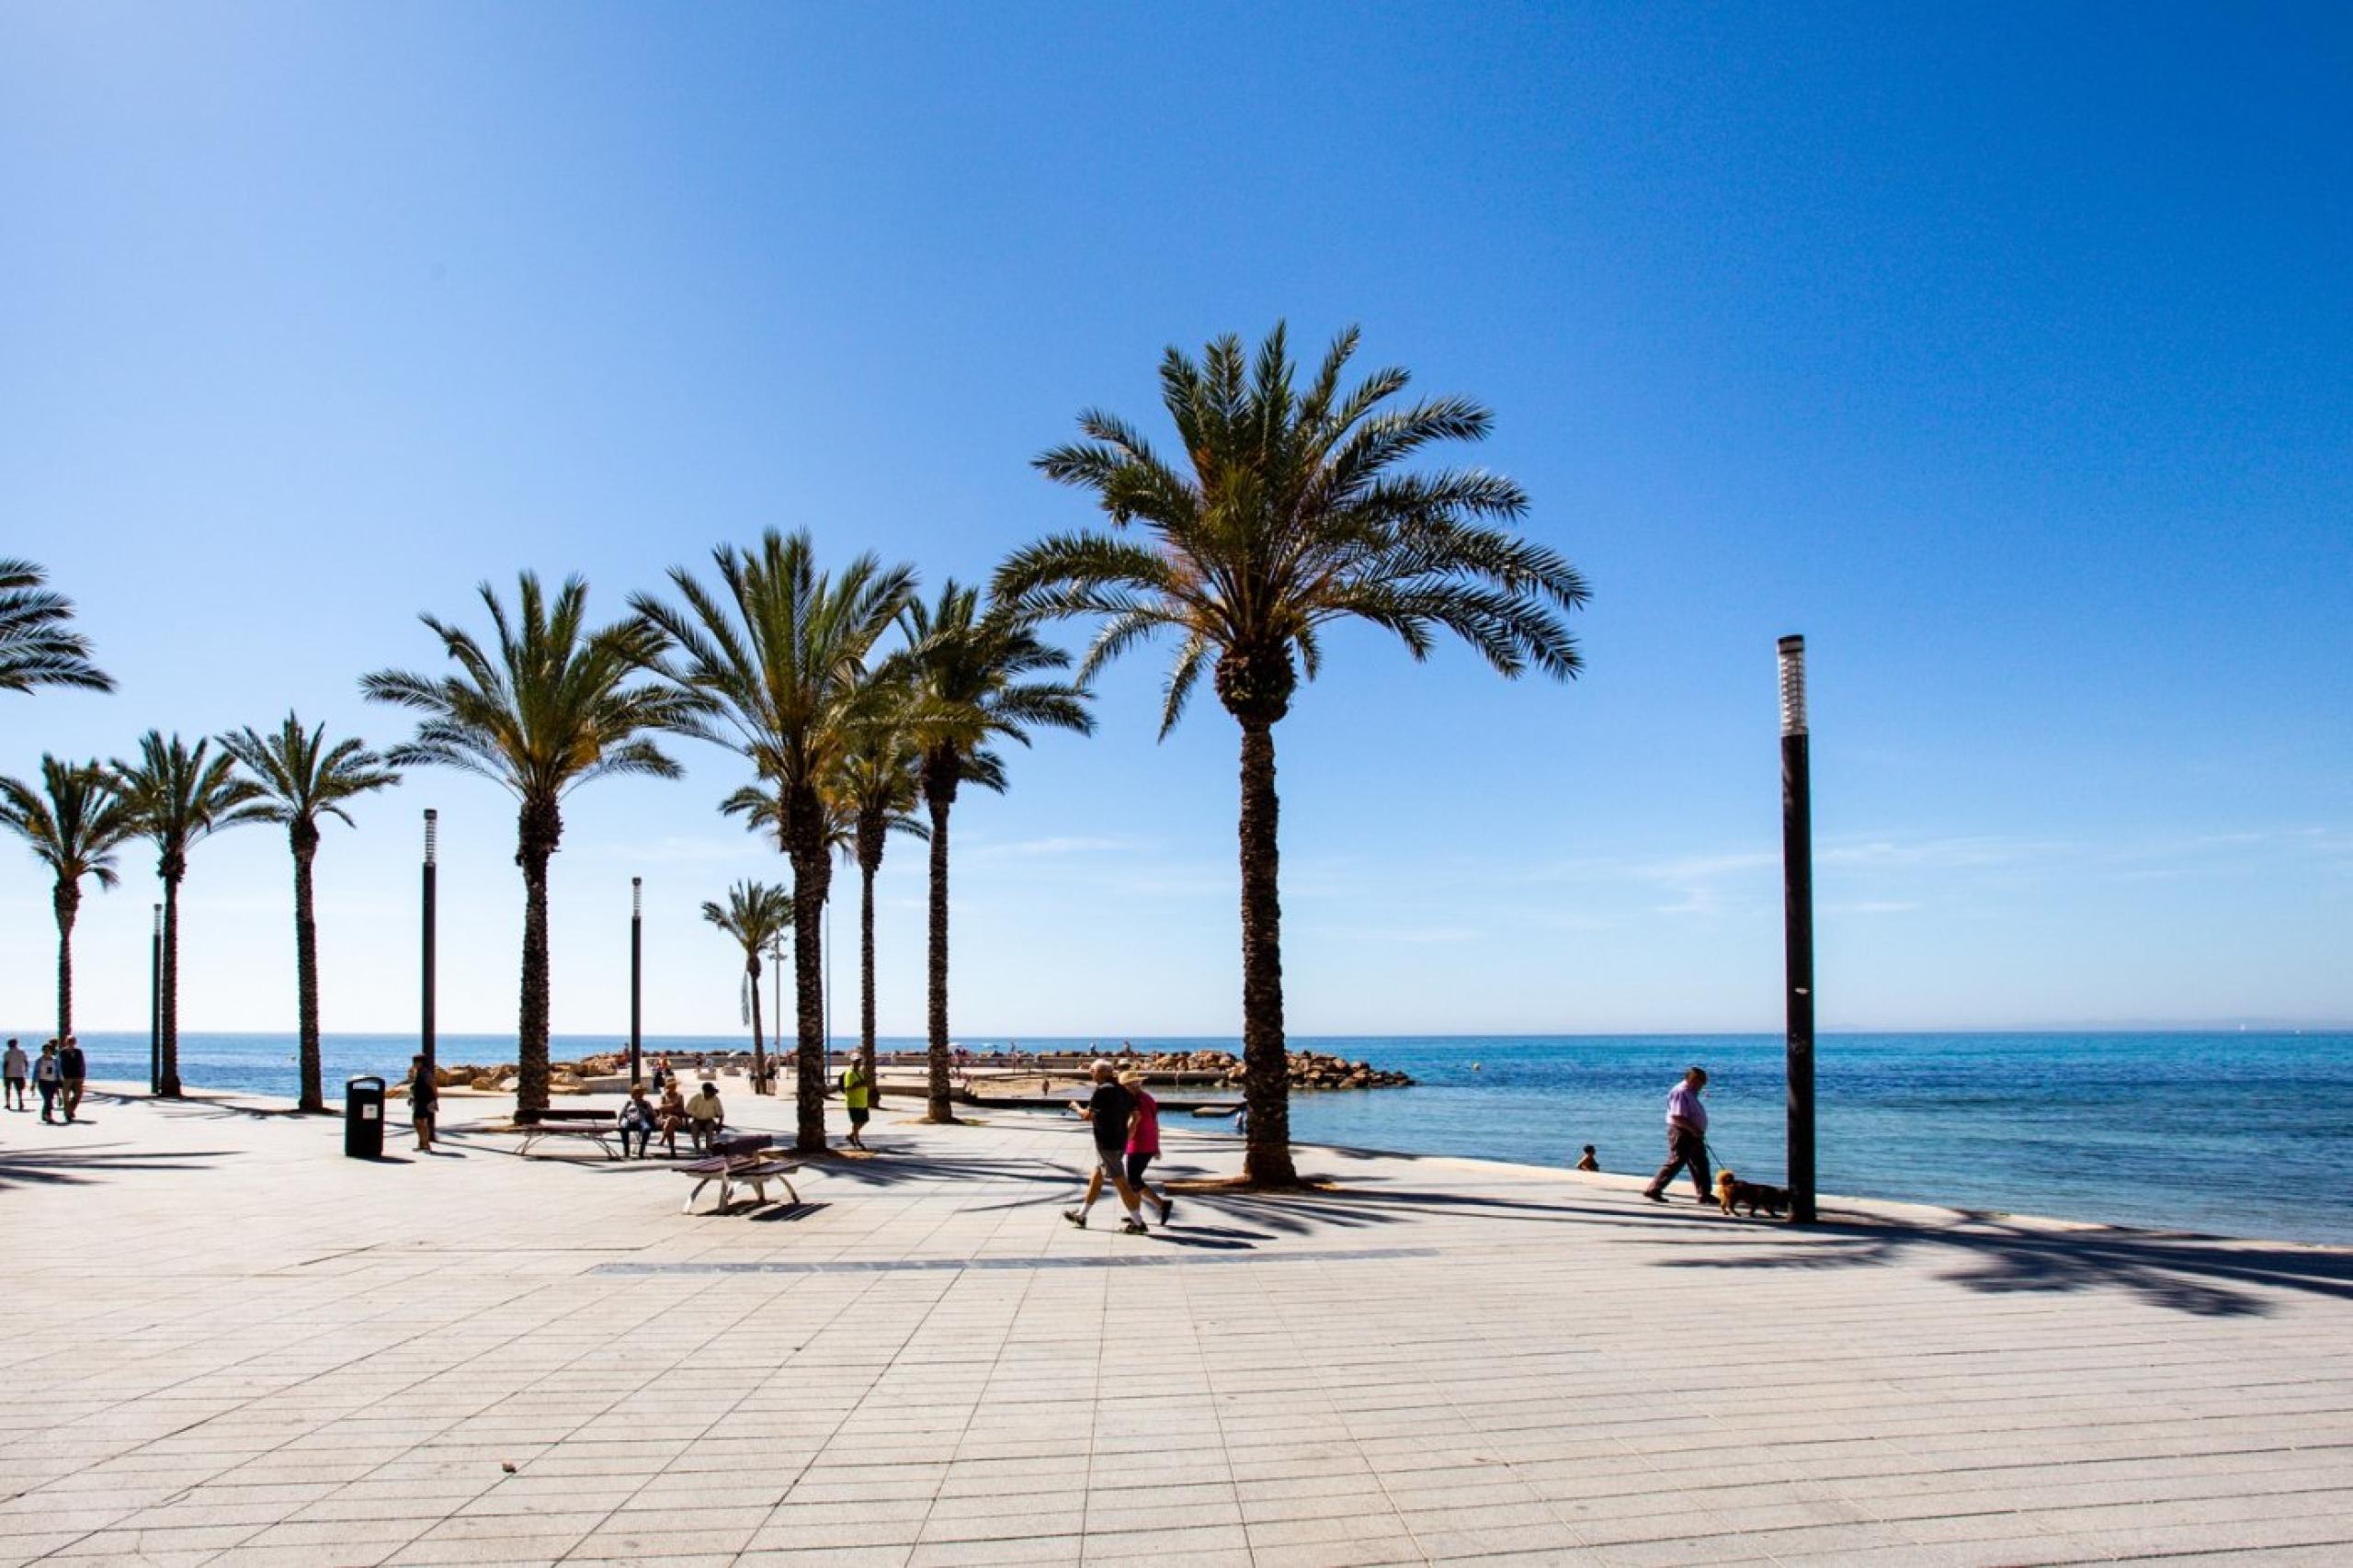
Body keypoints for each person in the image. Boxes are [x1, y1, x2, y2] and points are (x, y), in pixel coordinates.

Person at [1064, 1059, 1146, 1233]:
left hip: (1107, 1144)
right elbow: (1137, 1116)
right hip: (1119, 1142)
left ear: (1100, 1073)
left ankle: (1139, 1224)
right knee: (1098, 1175)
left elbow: (1087, 1116)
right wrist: (1129, 1133)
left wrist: (1075, 1107)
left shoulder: (1101, 1092)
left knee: (1121, 1183)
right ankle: (1081, 1214)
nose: (1090, 1074)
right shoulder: (1123, 1090)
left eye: (1092, 1071)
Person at [1642, 1066, 1712, 1205]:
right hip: (1682, 1131)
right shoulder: (1680, 1092)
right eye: (1701, 1081)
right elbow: (1677, 1116)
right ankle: (1654, 1189)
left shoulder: (1691, 1091)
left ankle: (1704, 1194)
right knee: (1677, 1161)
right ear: (1692, 1079)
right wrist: (1693, 1129)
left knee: (1700, 1162)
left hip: (1692, 1132)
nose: (1703, 1085)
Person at [1120, 1070, 1172, 1225]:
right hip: (1148, 1143)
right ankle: (1136, 1214)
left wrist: (1123, 1141)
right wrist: (1156, 1145)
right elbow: (1155, 1122)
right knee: (1135, 1180)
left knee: (1134, 1181)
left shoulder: (1134, 1101)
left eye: (1127, 1086)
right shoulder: (1148, 1097)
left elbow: (1134, 1123)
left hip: (1138, 1145)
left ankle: (1162, 1204)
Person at [617, 1084, 658, 1159]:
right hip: (630, 1120)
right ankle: (626, 1150)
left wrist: (647, 1110)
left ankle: (641, 1150)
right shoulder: (629, 1102)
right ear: (634, 1094)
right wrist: (619, 1123)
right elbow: (622, 1113)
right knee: (623, 1128)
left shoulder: (646, 1103)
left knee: (647, 1129)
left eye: (641, 1093)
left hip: (642, 1121)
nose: (640, 1095)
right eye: (638, 1093)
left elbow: (653, 1114)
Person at [840, 1053, 871, 1151]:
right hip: (854, 1102)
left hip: (862, 1102)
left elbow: (863, 1083)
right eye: (856, 1061)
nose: (858, 1063)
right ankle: (856, 1141)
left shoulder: (859, 1072)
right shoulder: (850, 1073)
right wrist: (859, 1085)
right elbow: (848, 1087)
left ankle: (851, 1136)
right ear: (852, 1062)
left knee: (865, 1120)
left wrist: (864, 1084)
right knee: (856, 1122)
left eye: (859, 1061)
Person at [684, 1081, 725, 1153]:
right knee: (694, 1128)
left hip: (709, 1120)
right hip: (697, 1120)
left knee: (710, 1128)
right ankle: (697, 1147)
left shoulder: (715, 1099)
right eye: (711, 1092)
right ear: (705, 1092)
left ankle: (709, 1147)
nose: (713, 1094)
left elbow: (720, 1113)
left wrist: (720, 1125)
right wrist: (687, 1124)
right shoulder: (696, 1098)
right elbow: (687, 1112)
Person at [408, 1054, 438, 1152]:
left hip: (424, 1101)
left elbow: (432, 1083)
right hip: (419, 1100)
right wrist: (412, 1097)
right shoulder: (418, 1072)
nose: (414, 1064)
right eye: (414, 1062)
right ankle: (422, 1143)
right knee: (418, 1122)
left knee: (420, 1122)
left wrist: (435, 1098)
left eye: (415, 1062)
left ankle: (426, 1144)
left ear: (421, 1062)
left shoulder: (425, 1072)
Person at [57, 1036, 86, 1122]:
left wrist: (83, 1075)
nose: (71, 1043)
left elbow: (82, 1063)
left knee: (78, 1094)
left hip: (78, 1076)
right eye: (69, 1041)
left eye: (73, 1041)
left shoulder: (78, 1051)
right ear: (66, 1042)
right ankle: (67, 1114)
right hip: (67, 1076)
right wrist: (60, 1076)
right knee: (66, 1097)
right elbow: (59, 1065)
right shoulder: (62, 1052)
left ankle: (70, 1110)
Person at [655, 1082, 688, 1156]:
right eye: (669, 1086)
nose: (672, 1088)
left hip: (677, 1119)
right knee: (670, 1126)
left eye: (673, 1086)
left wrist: (668, 1108)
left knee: (671, 1119)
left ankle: (663, 1137)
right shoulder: (664, 1096)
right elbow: (661, 1108)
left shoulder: (679, 1096)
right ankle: (672, 1151)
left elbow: (681, 1110)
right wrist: (673, 1106)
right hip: (664, 1119)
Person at [4, 1038, 26, 1111]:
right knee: (19, 1090)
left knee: (8, 1089)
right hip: (19, 1073)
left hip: (9, 1073)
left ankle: (8, 1103)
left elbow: (5, 1064)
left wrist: (4, 1073)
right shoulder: (21, 1052)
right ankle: (20, 1102)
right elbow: (25, 1062)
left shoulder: (7, 1053)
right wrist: (25, 1070)